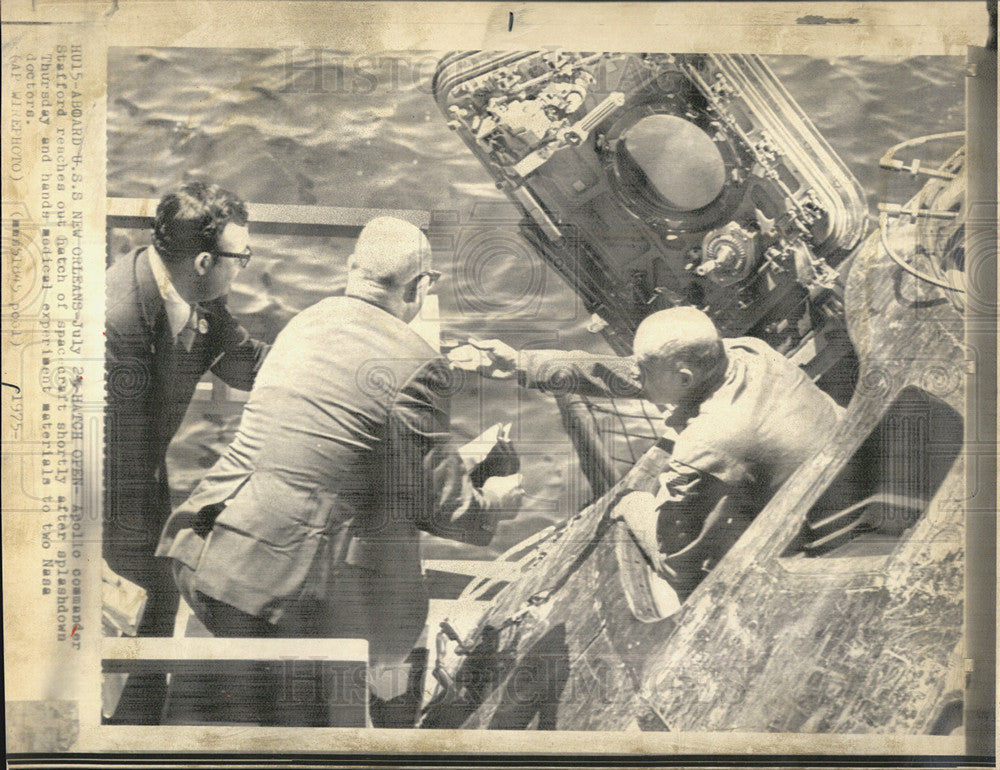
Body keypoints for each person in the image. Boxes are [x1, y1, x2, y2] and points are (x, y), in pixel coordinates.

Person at [157, 216, 524, 727]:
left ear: (353, 269)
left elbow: (344, 452)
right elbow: (456, 516)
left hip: (207, 561)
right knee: (400, 605)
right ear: (421, 287)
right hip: (288, 601)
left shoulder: (306, 320)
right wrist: (502, 496)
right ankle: (383, 735)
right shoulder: (420, 362)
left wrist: (449, 466)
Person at [450, 306, 843, 595]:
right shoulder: (748, 352)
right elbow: (634, 375)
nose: (635, 374)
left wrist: (632, 505)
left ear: (684, 376)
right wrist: (522, 364)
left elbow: (677, 564)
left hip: (821, 545)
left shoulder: (704, 446)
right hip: (842, 473)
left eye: (644, 368)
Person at [104, 182, 269, 723]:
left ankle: (141, 734)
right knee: (110, 637)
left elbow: (248, 362)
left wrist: (327, 356)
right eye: (240, 257)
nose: (243, 266)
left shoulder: (199, 299)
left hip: (142, 489)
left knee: (153, 623)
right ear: (204, 260)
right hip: (91, 504)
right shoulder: (114, 321)